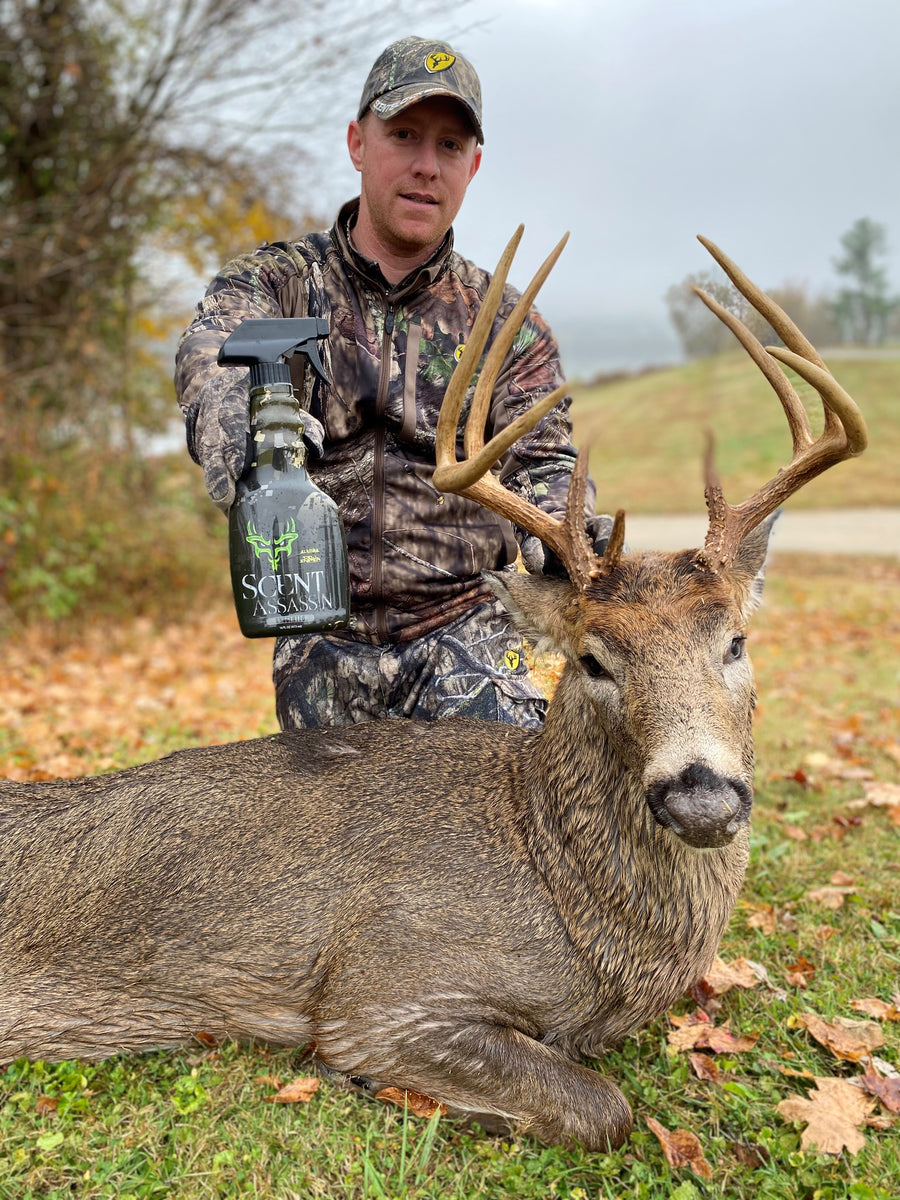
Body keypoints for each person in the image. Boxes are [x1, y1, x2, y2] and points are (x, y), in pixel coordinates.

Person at [174, 35, 609, 731]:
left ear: (473, 166)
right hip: (322, 631)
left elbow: (546, 462)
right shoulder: (277, 283)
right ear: (357, 142)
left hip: (468, 628)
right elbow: (211, 356)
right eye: (404, 135)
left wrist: (565, 531)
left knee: (501, 787)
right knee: (323, 803)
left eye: (449, 146)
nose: (425, 166)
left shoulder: (509, 324)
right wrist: (247, 433)